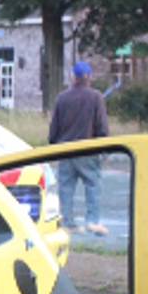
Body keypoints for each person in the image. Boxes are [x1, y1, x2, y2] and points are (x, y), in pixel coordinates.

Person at [49, 62, 110, 235]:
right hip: (88, 150)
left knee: (66, 188)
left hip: (66, 150)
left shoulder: (62, 98)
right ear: (89, 77)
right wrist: (104, 149)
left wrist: (53, 145)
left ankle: (68, 223)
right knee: (93, 185)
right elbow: (101, 126)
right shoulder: (96, 97)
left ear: (73, 77)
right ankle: (92, 221)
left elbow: (54, 127)